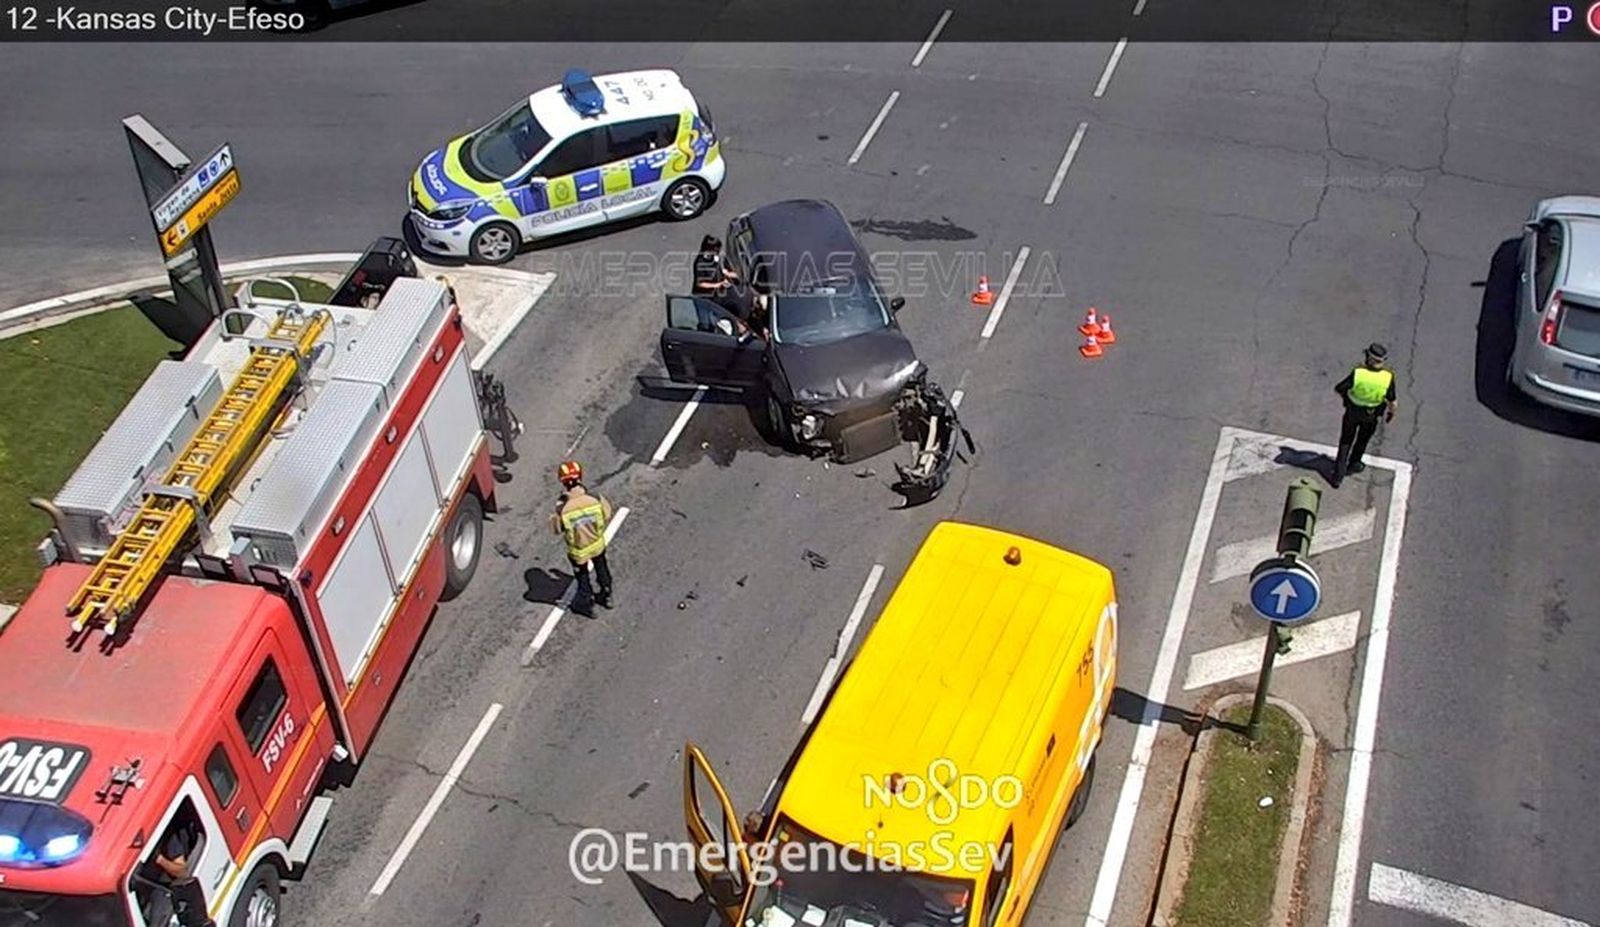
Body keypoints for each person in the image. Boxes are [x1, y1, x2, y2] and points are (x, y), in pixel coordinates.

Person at [550, 460, 614, 612]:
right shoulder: (594, 498)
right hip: (597, 544)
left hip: (578, 551)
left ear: (562, 481)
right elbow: (607, 513)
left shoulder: (563, 507)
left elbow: (555, 529)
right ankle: (607, 595)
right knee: (602, 568)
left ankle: (587, 604)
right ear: (580, 477)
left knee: (582, 577)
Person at [1330, 342, 1397, 488]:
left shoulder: (1359, 373)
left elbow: (1339, 388)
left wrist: (1346, 397)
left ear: (1370, 359)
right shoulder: (1388, 377)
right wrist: (1391, 413)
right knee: (1363, 439)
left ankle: (1337, 477)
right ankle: (1355, 463)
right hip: (1372, 414)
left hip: (1353, 412)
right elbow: (1392, 400)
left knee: (1346, 441)